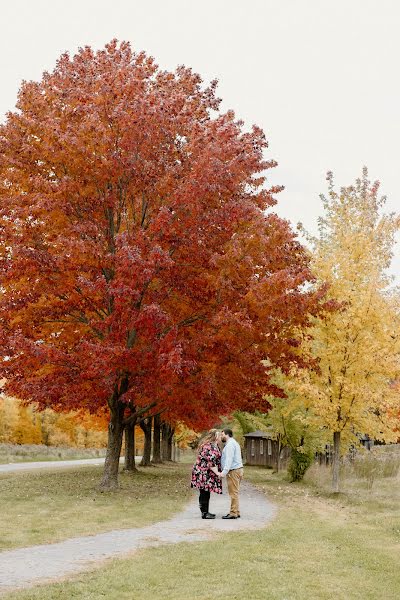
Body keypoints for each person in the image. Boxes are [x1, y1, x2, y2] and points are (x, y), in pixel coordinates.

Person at [191, 429, 222, 519]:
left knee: (206, 492)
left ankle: (206, 511)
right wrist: (218, 473)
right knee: (204, 492)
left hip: (207, 472)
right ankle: (204, 513)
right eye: (219, 435)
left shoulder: (215, 446)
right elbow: (210, 462)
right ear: (215, 436)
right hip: (202, 472)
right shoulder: (208, 446)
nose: (220, 437)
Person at [219, 428, 243, 519]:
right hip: (238, 470)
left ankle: (233, 513)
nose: (221, 437)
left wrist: (223, 473)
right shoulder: (234, 443)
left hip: (233, 471)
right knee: (235, 492)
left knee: (233, 493)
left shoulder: (230, 445)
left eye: (222, 435)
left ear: (227, 434)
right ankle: (236, 511)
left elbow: (229, 460)